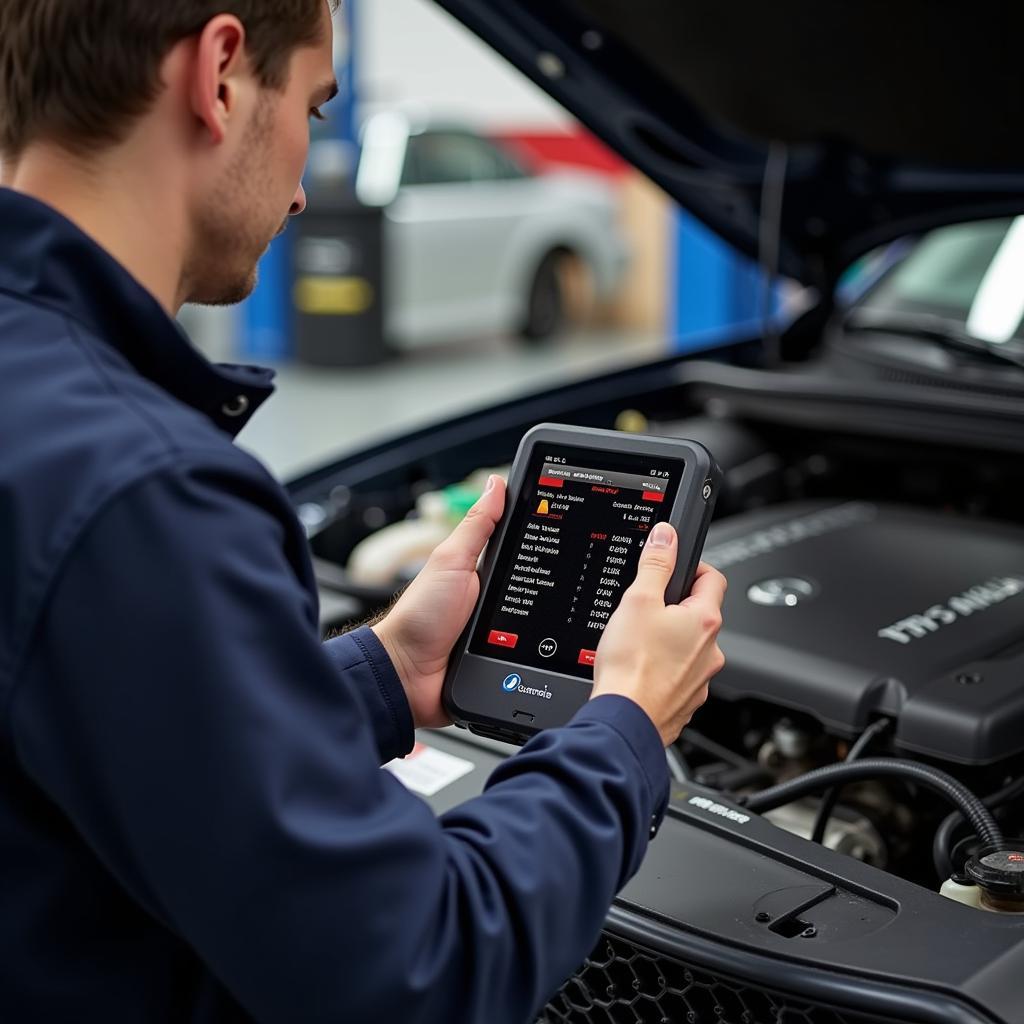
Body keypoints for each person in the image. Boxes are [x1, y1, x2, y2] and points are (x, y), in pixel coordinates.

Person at [0, 2, 727, 1022]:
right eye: (311, 103)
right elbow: (415, 968)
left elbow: (114, 736)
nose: (302, 189)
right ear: (218, 75)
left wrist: (384, 670)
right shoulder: (146, 487)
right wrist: (626, 728)